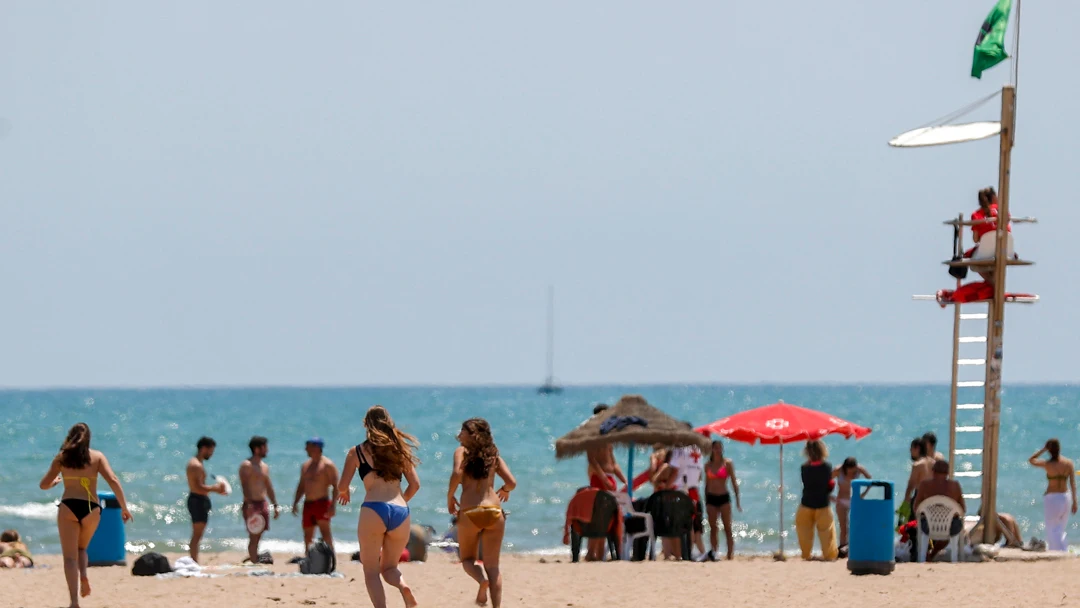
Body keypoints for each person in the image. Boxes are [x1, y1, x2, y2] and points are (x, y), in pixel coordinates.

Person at [38, 423, 133, 608]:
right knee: (82, 548)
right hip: (91, 507)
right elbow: (113, 480)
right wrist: (124, 507)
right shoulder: (97, 456)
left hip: (68, 506)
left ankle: (74, 602)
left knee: (69, 557)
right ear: (88, 438)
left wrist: (56, 482)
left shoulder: (62, 458)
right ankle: (84, 576)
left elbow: (43, 484)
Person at [337, 405, 420, 608]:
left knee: (371, 572)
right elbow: (415, 485)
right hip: (400, 510)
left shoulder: (357, 451)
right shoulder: (399, 449)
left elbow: (342, 485)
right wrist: (400, 504)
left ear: (366, 425)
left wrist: (344, 492)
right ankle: (403, 587)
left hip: (374, 508)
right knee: (390, 568)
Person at [447, 418, 517, 608]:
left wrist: (450, 496)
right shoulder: (493, 455)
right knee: (493, 567)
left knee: (468, 559)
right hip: (494, 511)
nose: (459, 434)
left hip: (471, 510)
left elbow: (456, 474)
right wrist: (505, 491)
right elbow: (511, 482)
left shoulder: (461, 452)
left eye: (462, 431)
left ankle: (481, 581)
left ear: (471, 435)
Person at [1028, 439, 1077, 552]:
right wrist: (1075, 501)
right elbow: (1072, 484)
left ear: (1050, 451)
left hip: (1052, 498)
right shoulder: (1068, 463)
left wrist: (1043, 449)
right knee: (1060, 528)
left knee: (1052, 528)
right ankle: (1063, 549)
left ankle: (1058, 551)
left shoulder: (1048, 464)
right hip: (1066, 497)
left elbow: (1031, 460)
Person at [292, 437, 340, 551]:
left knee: (325, 534)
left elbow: (336, 486)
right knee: (307, 536)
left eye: (308, 447)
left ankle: (331, 561)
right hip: (308, 504)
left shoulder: (327, 465)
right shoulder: (305, 466)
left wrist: (333, 505)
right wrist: (295, 502)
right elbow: (302, 486)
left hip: (322, 503)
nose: (305, 449)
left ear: (316, 448)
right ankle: (309, 561)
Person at [186, 436, 228, 563]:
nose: (211, 454)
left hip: (200, 499)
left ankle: (195, 560)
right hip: (197, 500)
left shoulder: (197, 463)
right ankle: (194, 561)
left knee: (198, 535)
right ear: (204, 448)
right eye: (211, 451)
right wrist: (215, 488)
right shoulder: (196, 465)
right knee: (197, 535)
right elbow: (198, 487)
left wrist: (215, 490)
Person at [914, 459, 966, 561]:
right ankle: (939, 556)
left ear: (933, 471)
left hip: (928, 527)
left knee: (924, 523)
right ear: (947, 472)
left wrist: (928, 514)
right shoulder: (955, 486)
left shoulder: (924, 485)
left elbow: (916, 508)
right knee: (954, 524)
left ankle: (925, 557)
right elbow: (963, 509)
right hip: (951, 528)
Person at [239, 436, 280, 564]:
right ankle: (254, 561)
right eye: (264, 448)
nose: (267, 450)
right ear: (257, 449)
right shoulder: (247, 465)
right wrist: (249, 503)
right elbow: (244, 485)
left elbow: (268, 486)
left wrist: (275, 505)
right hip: (251, 503)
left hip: (262, 503)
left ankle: (253, 558)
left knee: (259, 535)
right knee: (253, 535)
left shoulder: (264, 466)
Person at [795, 439, 837, 561]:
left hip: (806, 502)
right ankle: (829, 555)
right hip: (823, 503)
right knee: (826, 532)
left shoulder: (804, 468)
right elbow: (829, 484)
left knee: (804, 530)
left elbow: (806, 483)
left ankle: (806, 554)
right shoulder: (827, 467)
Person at [667, 430, 707, 560]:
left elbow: (674, 472)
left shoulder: (679, 451)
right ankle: (689, 553)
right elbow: (699, 476)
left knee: (678, 524)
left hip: (681, 490)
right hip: (694, 490)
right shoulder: (698, 452)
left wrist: (666, 487)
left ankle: (681, 554)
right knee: (691, 524)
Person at [703, 440, 741, 561]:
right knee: (713, 528)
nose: (718, 450)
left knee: (727, 527)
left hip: (724, 497)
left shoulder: (727, 463)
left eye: (720, 448)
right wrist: (705, 501)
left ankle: (730, 555)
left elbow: (734, 482)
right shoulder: (707, 465)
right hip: (711, 498)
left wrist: (737, 500)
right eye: (716, 448)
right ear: (712, 450)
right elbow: (706, 484)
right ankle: (714, 553)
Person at [966, 186, 1014, 281]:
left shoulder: (976, 214)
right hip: (1006, 249)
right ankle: (996, 285)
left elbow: (975, 239)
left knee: (974, 262)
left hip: (985, 251)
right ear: (993, 197)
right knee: (996, 265)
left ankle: (991, 283)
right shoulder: (1002, 210)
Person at [832, 457, 871, 552]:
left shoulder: (859, 469)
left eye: (853, 472)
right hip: (841, 500)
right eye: (849, 472)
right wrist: (830, 496)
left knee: (857, 525)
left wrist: (863, 494)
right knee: (843, 527)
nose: (850, 474)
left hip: (855, 500)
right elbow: (825, 482)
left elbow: (870, 480)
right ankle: (842, 548)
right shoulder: (838, 470)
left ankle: (855, 547)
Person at [901, 437, 933, 520]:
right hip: (933, 498)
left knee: (911, 526)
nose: (910, 451)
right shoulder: (933, 462)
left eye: (911, 449)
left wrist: (906, 500)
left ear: (917, 448)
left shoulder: (918, 465)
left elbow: (911, 485)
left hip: (920, 497)